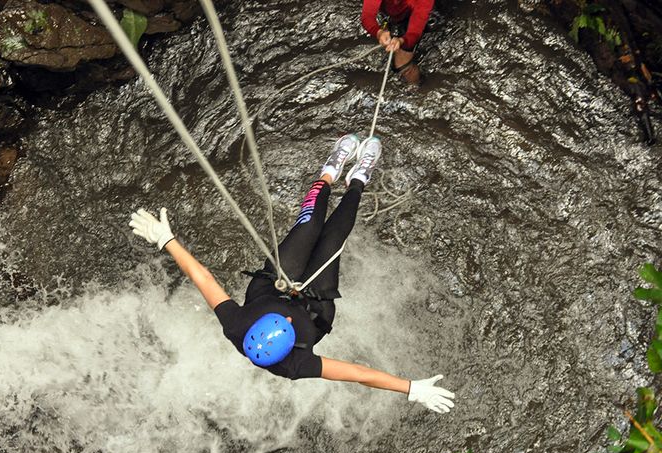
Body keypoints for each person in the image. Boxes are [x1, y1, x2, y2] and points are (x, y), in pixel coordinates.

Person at [129, 134, 455, 413]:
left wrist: (166, 240)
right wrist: (410, 388)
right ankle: (359, 179)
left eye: (279, 322)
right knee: (333, 236)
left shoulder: (236, 325)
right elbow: (357, 373)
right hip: (315, 311)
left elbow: (203, 278)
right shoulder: (296, 366)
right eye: (286, 327)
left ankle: (330, 170)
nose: (286, 319)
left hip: (273, 286)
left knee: (310, 224)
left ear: (255, 325)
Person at [361, 0, 434, 85]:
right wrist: (379, 33)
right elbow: (367, 16)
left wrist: (401, 41)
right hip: (391, 15)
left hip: (415, 14)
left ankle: (416, 88)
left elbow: (414, 32)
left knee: (403, 66)